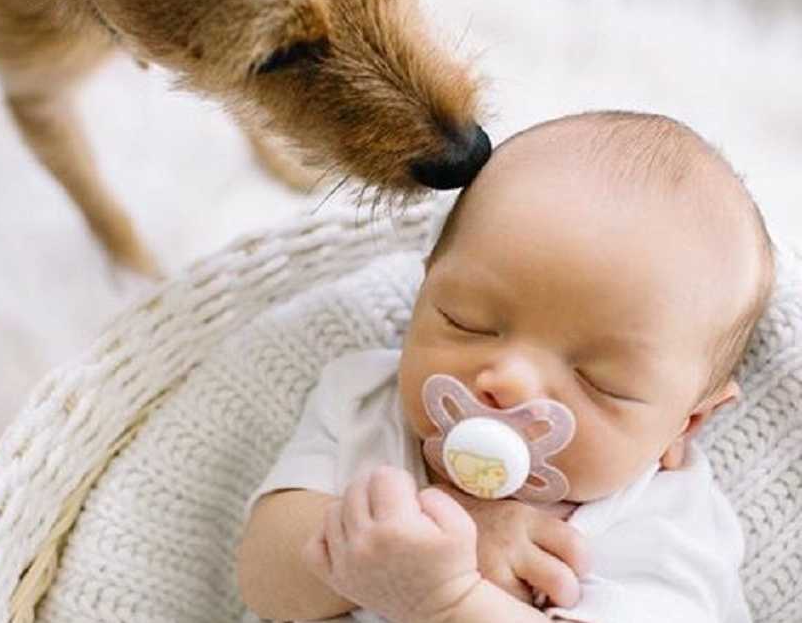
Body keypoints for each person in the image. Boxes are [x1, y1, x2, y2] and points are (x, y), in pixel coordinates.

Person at [236, 110, 775, 622]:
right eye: (466, 322)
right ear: (425, 288)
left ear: (685, 425)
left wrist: (448, 602)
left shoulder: (665, 528)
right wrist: (394, 544)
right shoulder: (364, 402)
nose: (509, 381)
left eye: (597, 380)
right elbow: (261, 577)